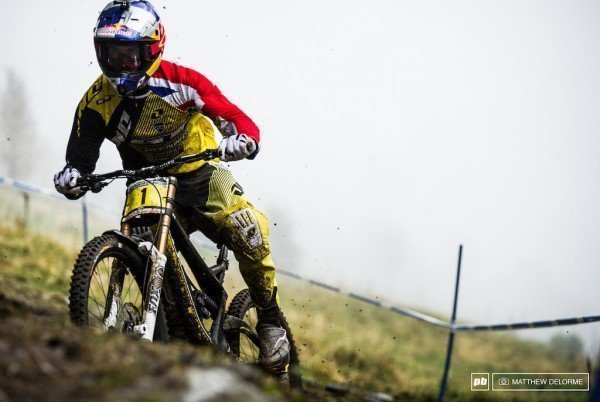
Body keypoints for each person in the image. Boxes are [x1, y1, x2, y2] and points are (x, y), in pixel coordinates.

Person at [53, 0, 289, 375]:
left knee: (249, 230)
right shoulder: (95, 102)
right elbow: (80, 161)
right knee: (141, 243)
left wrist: (243, 139)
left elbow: (234, 117)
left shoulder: (183, 82)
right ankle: (172, 323)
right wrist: (73, 177)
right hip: (147, 181)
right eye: (113, 53)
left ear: (152, 49)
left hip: (201, 173)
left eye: (130, 54)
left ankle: (271, 321)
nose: (121, 63)